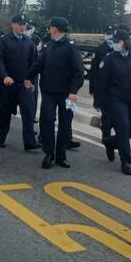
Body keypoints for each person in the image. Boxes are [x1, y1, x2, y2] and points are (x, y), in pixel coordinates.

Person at [25, 16, 84, 169]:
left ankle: (61, 156)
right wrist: (28, 77)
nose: (49, 30)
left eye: (50, 28)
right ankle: (49, 153)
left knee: (65, 124)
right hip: (49, 91)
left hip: (67, 95)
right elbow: (39, 64)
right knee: (47, 121)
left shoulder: (71, 47)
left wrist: (73, 90)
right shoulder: (49, 46)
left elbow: (79, 71)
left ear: (55, 29)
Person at [95, 29, 131, 175]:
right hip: (116, 98)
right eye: (114, 41)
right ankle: (126, 161)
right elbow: (102, 82)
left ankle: (110, 142)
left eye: (118, 41)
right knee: (123, 128)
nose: (115, 44)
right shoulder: (110, 58)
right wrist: (98, 102)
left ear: (126, 42)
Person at [0, 14, 40, 150]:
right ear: (12, 25)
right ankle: (1, 138)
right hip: (7, 84)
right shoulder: (4, 41)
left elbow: (34, 64)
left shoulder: (29, 42)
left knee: (28, 112)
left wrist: (31, 81)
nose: (22, 27)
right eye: (19, 24)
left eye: (24, 24)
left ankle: (29, 142)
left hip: (23, 84)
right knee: (4, 113)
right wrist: (4, 76)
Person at [90, 25, 117, 159]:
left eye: (112, 33)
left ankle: (113, 138)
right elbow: (94, 71)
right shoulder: (99, 50)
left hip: (117, 88)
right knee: (106, 115)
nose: (110, 36)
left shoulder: (119, 48)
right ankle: (105, 135)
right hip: (103, 87)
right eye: (108, 33)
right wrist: (92, 90)